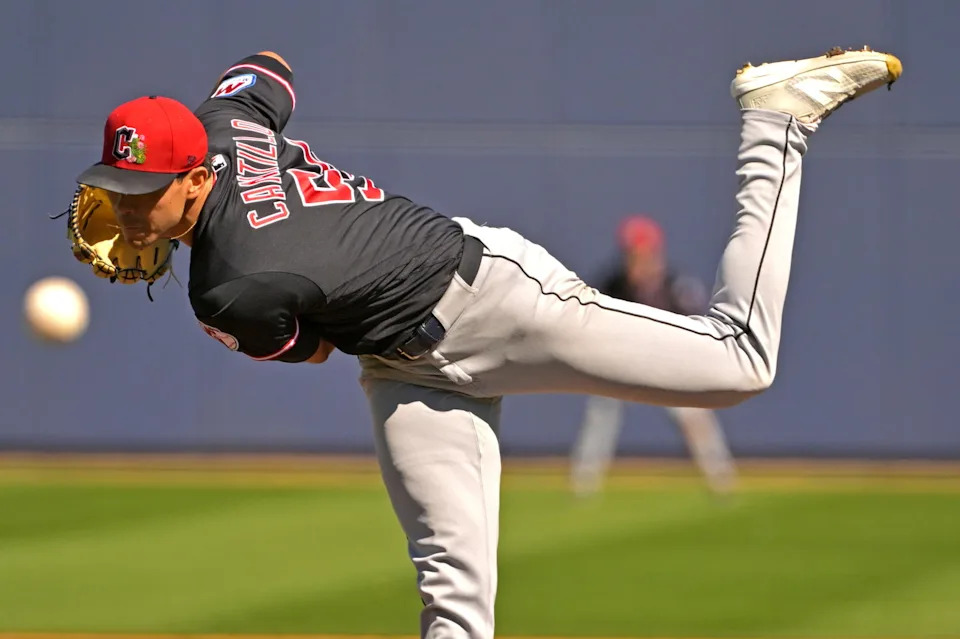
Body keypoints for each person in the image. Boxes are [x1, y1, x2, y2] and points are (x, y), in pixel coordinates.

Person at [74, 46, 902, 639]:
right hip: (405, 368)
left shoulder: (229, 287)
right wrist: (256, 151)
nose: (128, 212)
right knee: (456, 601)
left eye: (145, 193)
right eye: (118, 189)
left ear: (194, 176)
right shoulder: (225, 122)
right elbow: (267, 68)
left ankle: (775, 122)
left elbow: (309, 347)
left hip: (490, 296)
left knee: (738, 362)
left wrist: (259, 224)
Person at [570, 215, 737, 497]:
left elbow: (698, 329)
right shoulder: (613, 286)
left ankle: (720, 478)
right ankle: (584, 482)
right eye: (631, 254)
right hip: (625, 364)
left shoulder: (676, 287)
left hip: (669, 364)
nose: (636, 260)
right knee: (601, 413)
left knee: (694, 415)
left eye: (641, 253)